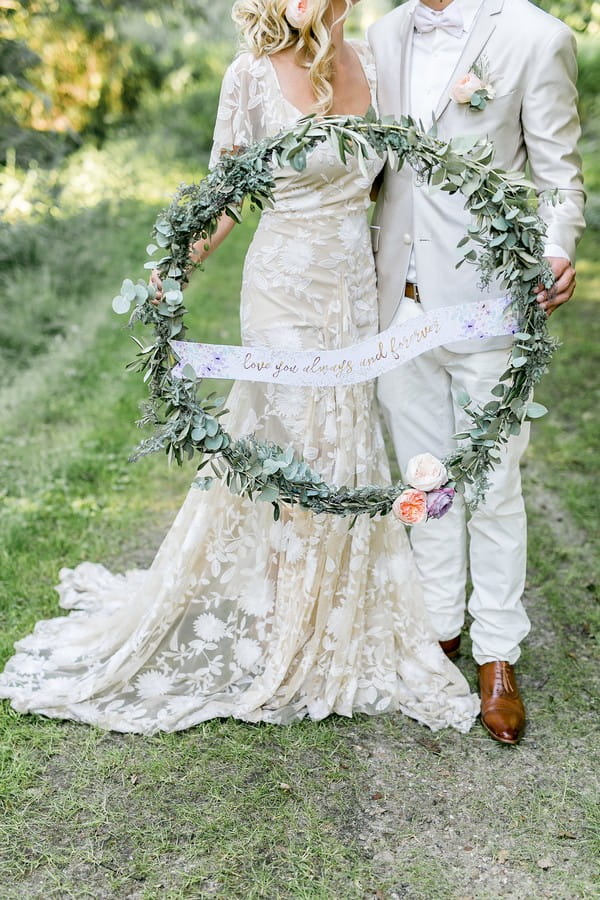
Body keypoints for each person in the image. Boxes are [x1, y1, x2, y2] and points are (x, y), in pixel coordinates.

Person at [0, 0, 480, 735]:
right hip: (284, 286)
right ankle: (287, 627)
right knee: (291, 441)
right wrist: (178, 262)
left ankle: (332, 612)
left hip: (355, 287)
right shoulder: (250, 75)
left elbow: (392, 186)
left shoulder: (375, 65)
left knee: (343, 440)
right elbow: (222, 198)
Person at [368, 0, 585, 743]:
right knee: (425, 477)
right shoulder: (385, 32)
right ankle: (439, 627)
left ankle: (498, 653)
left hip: (490, 305)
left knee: (494, 485)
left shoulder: (538, 36)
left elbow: (560, 175)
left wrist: (559, 250)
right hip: (399, 304)